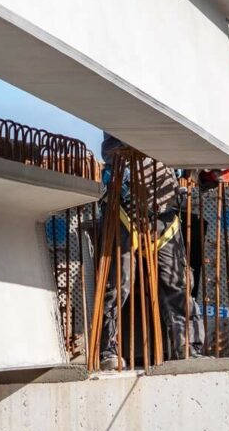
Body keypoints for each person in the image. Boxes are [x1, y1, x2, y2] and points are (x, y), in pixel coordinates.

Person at [84, 133, 204, 370]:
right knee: (118, 284)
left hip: (164, 206)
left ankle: (187, 347)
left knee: (177, 284)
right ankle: (108, 350)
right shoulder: (126, 113)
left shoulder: (173, 116)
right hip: (125, 203)